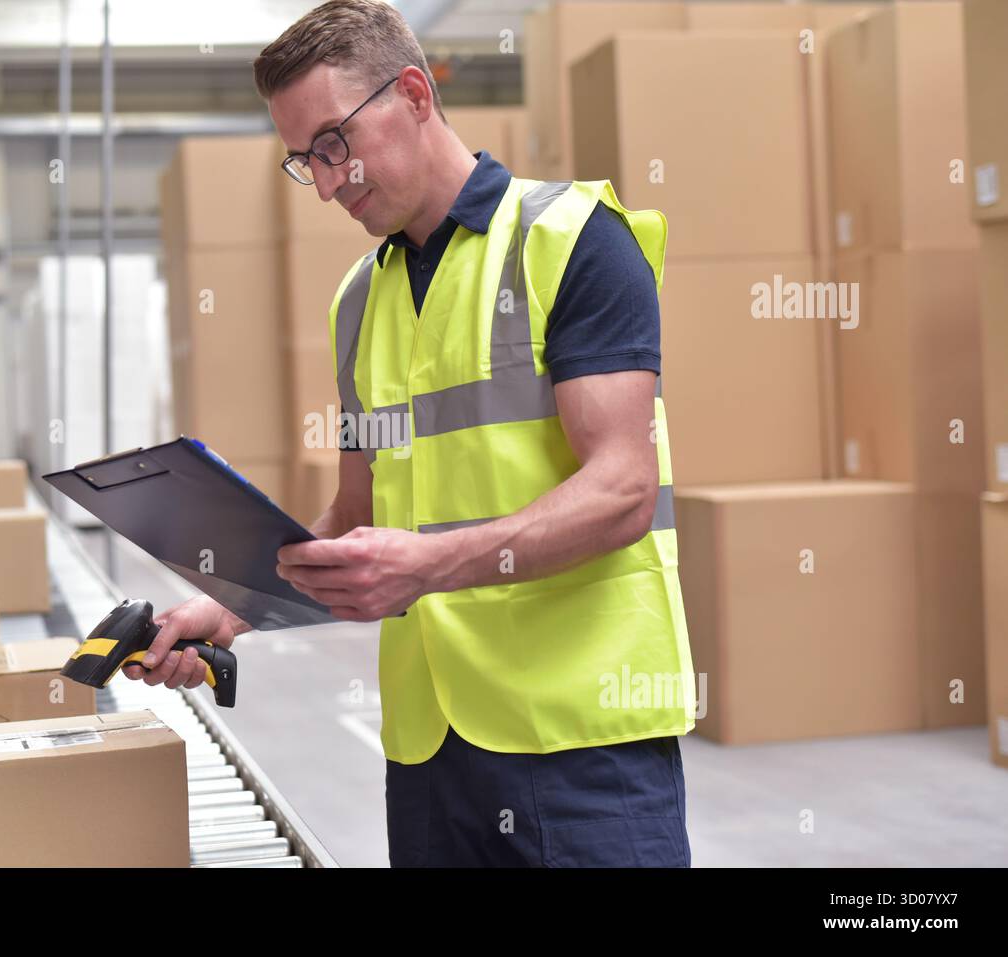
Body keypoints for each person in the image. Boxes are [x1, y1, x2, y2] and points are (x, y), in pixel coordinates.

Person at [126, 0, 695, 868]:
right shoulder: (360, 301)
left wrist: (426, 565)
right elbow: (354, 518)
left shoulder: (574, 241)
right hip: (430, 757)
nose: (325, 181)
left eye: (333, 143)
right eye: (302, 161)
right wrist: (226, 609)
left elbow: (622, 488)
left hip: (581, 747)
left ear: (417, 95)